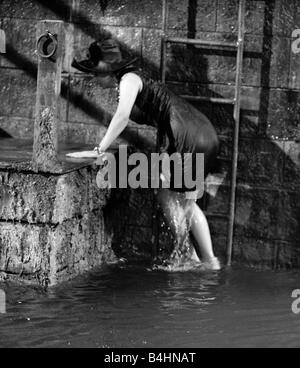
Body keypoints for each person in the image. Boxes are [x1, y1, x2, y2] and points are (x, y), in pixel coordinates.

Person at [71, 38, 221, 271]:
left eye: (95, 72)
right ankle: (200, 258)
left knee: (176, 198)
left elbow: (121, 117)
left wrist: (98, 150)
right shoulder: (130, 80)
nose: (93, 77)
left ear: (108, 72)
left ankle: (198, 258)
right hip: (195, 132)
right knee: (178, 199)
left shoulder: (129, 80)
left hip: (188, 135)